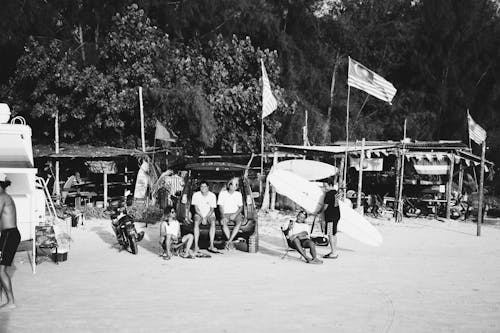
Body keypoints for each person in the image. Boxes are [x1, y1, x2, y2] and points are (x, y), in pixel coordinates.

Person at [0, 173, 21, 311]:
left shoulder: (1, 197)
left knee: (0, 270)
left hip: (9, 235)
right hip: (8, 234)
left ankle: (11, 302)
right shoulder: (4, 196)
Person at [191, 180, 218, 254]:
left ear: (208, 187)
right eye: (201, 186)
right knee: (196, 223)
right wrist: (202, 217)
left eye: (205, 186)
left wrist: (206, 217)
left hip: (209, 214)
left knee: (213, 222)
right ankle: (196, 246)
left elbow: (212, 209)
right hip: (199, 214)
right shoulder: (196, 195)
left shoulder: (212, 195)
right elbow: (196, 209)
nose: (203, 188)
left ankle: (211, 245)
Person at [218, 177, 243, 250]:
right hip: (225, 213)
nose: (233, 186)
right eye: (231, 184)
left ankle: (229, 241)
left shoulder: (238, 194)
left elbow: (241, 207)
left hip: (235, 213)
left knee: (239, 222)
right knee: (223, 223)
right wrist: (223, 216)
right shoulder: (222, 194)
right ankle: (231, 242)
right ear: (228, 185)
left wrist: (235, 214)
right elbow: (220, 206)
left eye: (236, 185)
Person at [321, 179, 341, 259]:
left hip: (330, 216)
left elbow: (325, 206)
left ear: (330, 185)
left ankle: (333, 253)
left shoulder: (328, 194)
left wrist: (319, 212)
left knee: (330, 234)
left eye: (325, 186)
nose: (324, 188)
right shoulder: (336, 192)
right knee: (334, 234)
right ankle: (334, 251)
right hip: (336, 214)